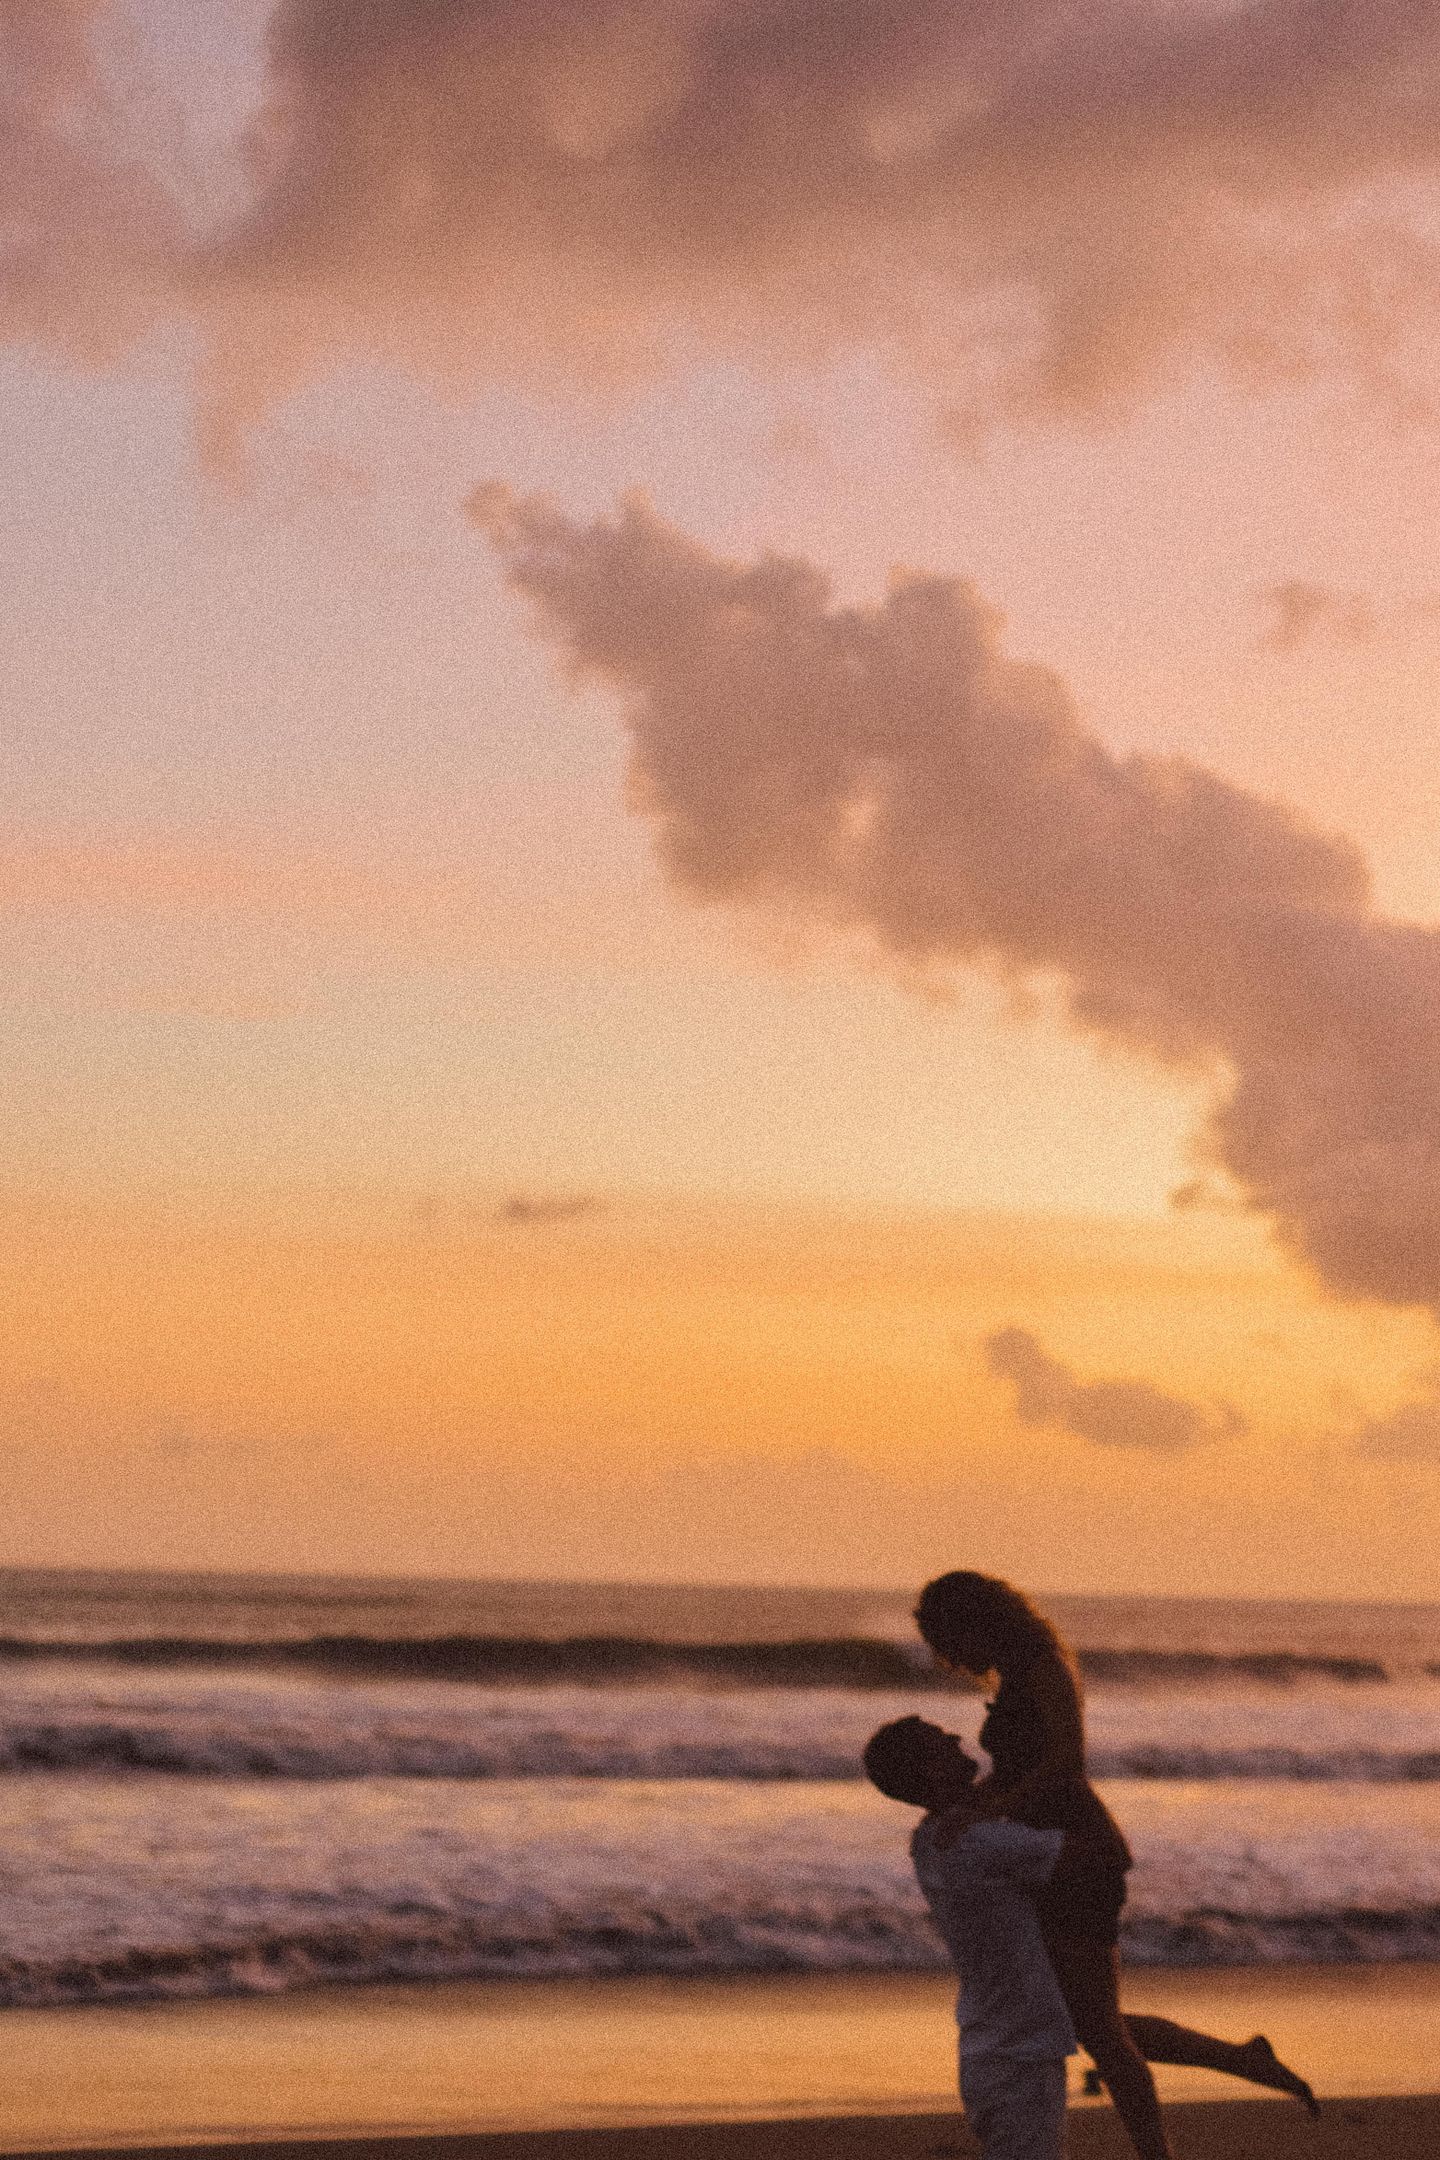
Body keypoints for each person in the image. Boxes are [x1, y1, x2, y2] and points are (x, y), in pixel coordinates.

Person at [914, 1572, 1317, 2160]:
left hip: (1079, 1853)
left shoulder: (1044, 1667)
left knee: (1098, 2029)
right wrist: (971, 1806)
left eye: (947, 1638)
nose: (948, 1656)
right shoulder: (1015, 1673)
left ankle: (1162, 2150)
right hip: (1041, 1855)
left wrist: (988, 1811)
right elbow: (1019, 1769)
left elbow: (1066, 1766)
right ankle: (1242, 2059)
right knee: (1084, 2018)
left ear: (976, 1620)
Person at [864, 1715, 1078, 2160]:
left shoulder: (930, 1839)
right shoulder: (976, 1841)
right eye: (940, 1740)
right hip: (1018, 2052)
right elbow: (1102, 1856)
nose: (955, 1737)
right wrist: (1064, 1768)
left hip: (994, 2048)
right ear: (931, 1770)